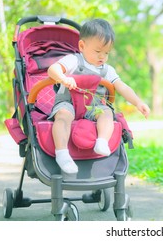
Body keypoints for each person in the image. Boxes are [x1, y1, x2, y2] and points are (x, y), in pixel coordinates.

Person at [47, 18, 150, 174]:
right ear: (82, 46)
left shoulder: (107, 70)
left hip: (93, 105)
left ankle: (102, 141)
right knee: (62, 116)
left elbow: (121, 86)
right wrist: (63, 78)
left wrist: (137, 102)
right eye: (98, 51)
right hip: (69, 102)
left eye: (106, 53)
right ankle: (62, 153)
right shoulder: (74, 60)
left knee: (107, 113)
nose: (102, 56)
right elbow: (52, 69)